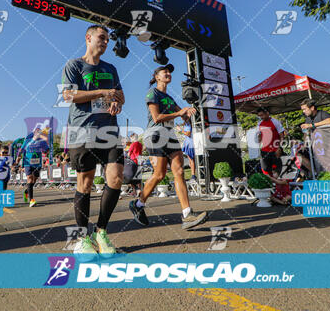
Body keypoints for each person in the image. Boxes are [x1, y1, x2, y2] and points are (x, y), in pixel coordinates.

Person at [61, 25, 125, 258]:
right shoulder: (74, 65)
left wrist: (117, 102)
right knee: (85, 184)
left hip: (109, 130)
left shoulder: (111, 68)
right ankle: (82, 238)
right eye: (102, 38)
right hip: (82, 130)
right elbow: (68, 95)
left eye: (108, 39)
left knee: (117, 178)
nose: (106, 42)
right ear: (88, 38)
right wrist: (101, 93)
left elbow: (120, 95)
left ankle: (101, 231)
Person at [129, 64, 208, 230]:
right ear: (157, 76)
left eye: (170, 71)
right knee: (159, 174)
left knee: (179, 171)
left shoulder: (170, 99)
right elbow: (157, 117)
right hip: (156, 133)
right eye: (164, 71)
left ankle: (187, 214)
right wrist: (180, 113)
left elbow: (184, 115)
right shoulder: (153, 93)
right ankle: (138, 203)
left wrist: (190, 112)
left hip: (170, 134)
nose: (168, 73)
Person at [15, 128, 49, 207]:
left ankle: (27, 191)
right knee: (30, 178)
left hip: (37, 163)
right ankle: (31, 200)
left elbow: (46, 150)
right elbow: (21, 150)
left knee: (34, 179)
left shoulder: (42, 141)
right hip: (28, 163)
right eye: (36, 132)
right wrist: (18, 158)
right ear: (34, 133)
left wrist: (45, 151)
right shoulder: (27, 140)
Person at [255, 107, 286, 176]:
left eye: (262, 115)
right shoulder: (259, 123)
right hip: (264, 150)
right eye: (259, 116)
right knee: (266, 169)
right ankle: (270, 185)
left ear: (267, 113)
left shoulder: (275, 122)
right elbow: (259, 135)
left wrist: (279, 148)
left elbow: (282, 136)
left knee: (278, 169)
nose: (261, 117)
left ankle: (278, 184)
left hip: (275, 149)